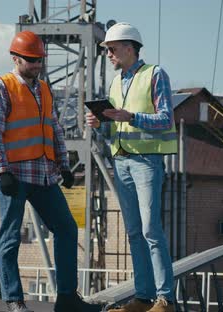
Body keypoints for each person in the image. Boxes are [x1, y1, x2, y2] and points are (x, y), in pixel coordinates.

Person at [0, 30, 103, 312]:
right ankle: (14, 300)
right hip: (14, 176)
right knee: (10, 237)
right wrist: (1, 170)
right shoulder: (1, 87)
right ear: (16, 59)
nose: (37, 65)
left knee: (66, 228)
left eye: (40, 60)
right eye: (31, 60)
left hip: (43, 174)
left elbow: (54, 128)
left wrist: (64, 164)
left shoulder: (44, 89)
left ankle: (67, 300)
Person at [85, 23, 177, 312]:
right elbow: (114, 130)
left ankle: (166, 299)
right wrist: (100, 125)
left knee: (151, 230)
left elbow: (165, 118)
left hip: (147, 161)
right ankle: (144, 297)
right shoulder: (115, 83)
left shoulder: (155, 74)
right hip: (121, 161)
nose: (108, 55)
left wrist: (131, 116)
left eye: (111, 49)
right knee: (135, 232)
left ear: (129, 47)